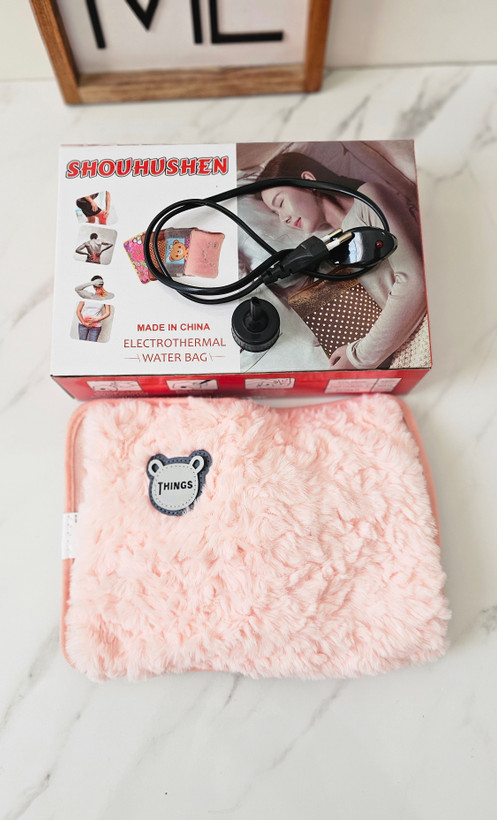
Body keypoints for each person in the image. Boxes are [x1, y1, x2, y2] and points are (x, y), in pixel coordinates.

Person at [257, 151, 427, 370]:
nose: (283, 218)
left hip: (421, 334)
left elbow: (416, 281)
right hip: (393, 354)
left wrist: (357, 357)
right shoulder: (328, 252)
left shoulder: (368, 198)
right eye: (275, 213)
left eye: (280, 203)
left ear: (308, 182)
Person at [75, 276, 113, 342]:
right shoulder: (87, 295)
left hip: (96, 326)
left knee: (93, 345)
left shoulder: (106, 298)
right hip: (83, 324)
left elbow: (108, 312)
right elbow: (78, 311)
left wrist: (96, 320)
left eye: (100, 284)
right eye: (96, 284)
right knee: (81, 344)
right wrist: (84, 323)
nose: (98, 286)